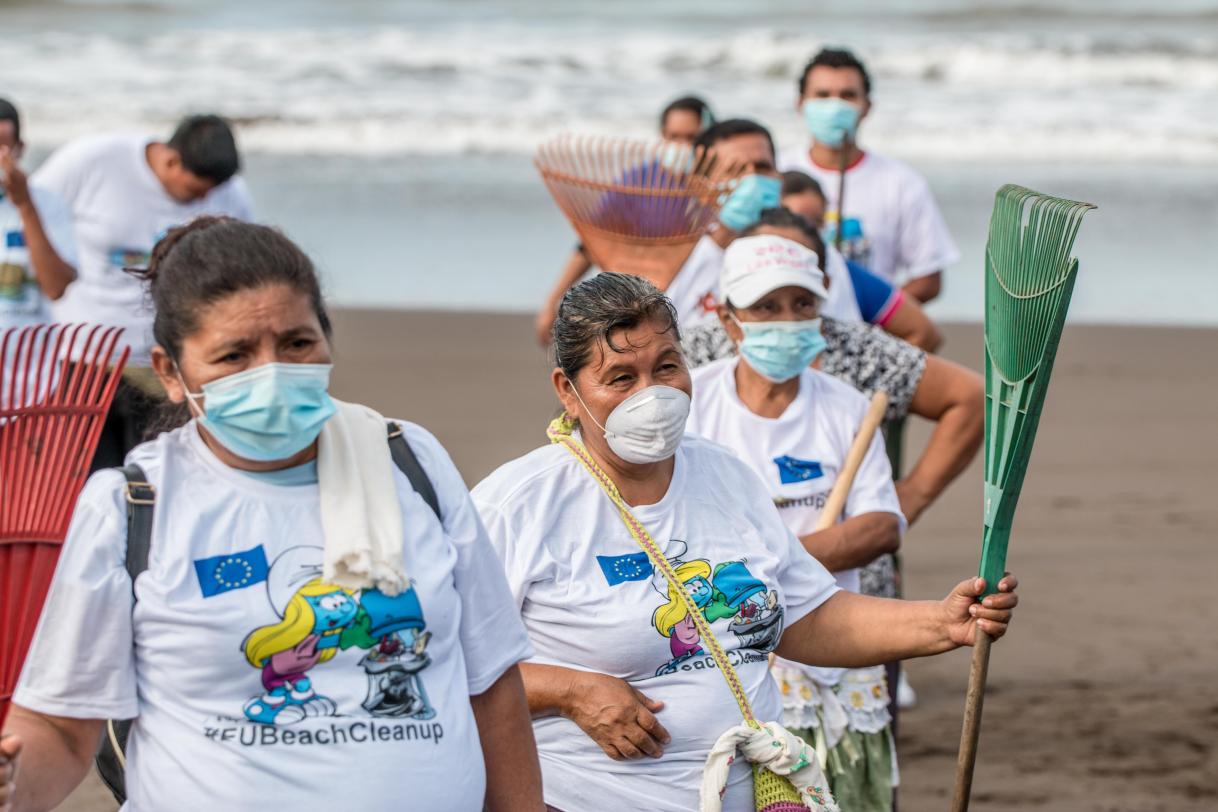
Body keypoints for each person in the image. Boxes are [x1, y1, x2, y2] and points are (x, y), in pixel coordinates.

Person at [0, 218, 543, 812]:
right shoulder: (133, 504)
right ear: (170, 373)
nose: (272, 372)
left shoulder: (408, 462)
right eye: (234, 355)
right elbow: (60, 728)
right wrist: (11, 779)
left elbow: (491, 683)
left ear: (327, 340)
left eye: (297, 343)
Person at [471, 271, 1019, 812]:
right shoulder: (519, 505)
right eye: (620, 378)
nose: (652, 394)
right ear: (568, 391)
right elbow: (454, 662)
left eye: (666, 367)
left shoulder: (725, 475)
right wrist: (571, 691)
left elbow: (807, 617)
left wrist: (942, 623)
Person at [686, 234, 905, 810]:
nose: (787, 320)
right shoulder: (694, 405)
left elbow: (881, 525)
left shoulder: (846, 406)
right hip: (727, 652)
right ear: (729, 320)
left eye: (802, 304)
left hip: (830, 644)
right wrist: (768, 572)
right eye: (766, 307)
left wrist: (772, 565)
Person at [32, 114, 255, 469]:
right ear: (171, 160)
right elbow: (27, 213)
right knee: (77, 478)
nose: (206, 198)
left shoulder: (229, 192)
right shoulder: (93, 161)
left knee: (157, 476)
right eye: (196, 191)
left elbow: (240, 275)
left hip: (164, 367)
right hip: (81, 358)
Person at [778, 48, 958, 303]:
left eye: (847, 95)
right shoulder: (775, 172)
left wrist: (872, 315)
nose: (834, 106)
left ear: (867, 106)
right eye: (822, 95)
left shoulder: (901, 182)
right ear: (800, 103)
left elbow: (928, 279)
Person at [535, 95, 716, 345]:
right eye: (673, 137)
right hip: (643, 306)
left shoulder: (722, 188)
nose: (682, 146)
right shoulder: (640, 181)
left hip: (702, 311)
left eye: (692, 138)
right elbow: (591, 244)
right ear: (662, 136)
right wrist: (552, 302)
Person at [781, 171, 942, 352]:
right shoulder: (757, 273)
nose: (808, 233)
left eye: (816, 222)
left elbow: (924, 332)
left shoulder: (844, 273)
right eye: (797, 222)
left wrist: (874, 368)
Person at [0, 99, 76, 331]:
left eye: (2, 146)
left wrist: (25, 205)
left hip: (31, 351)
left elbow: (55, 287)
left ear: (20, 148)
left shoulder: (48, 203)